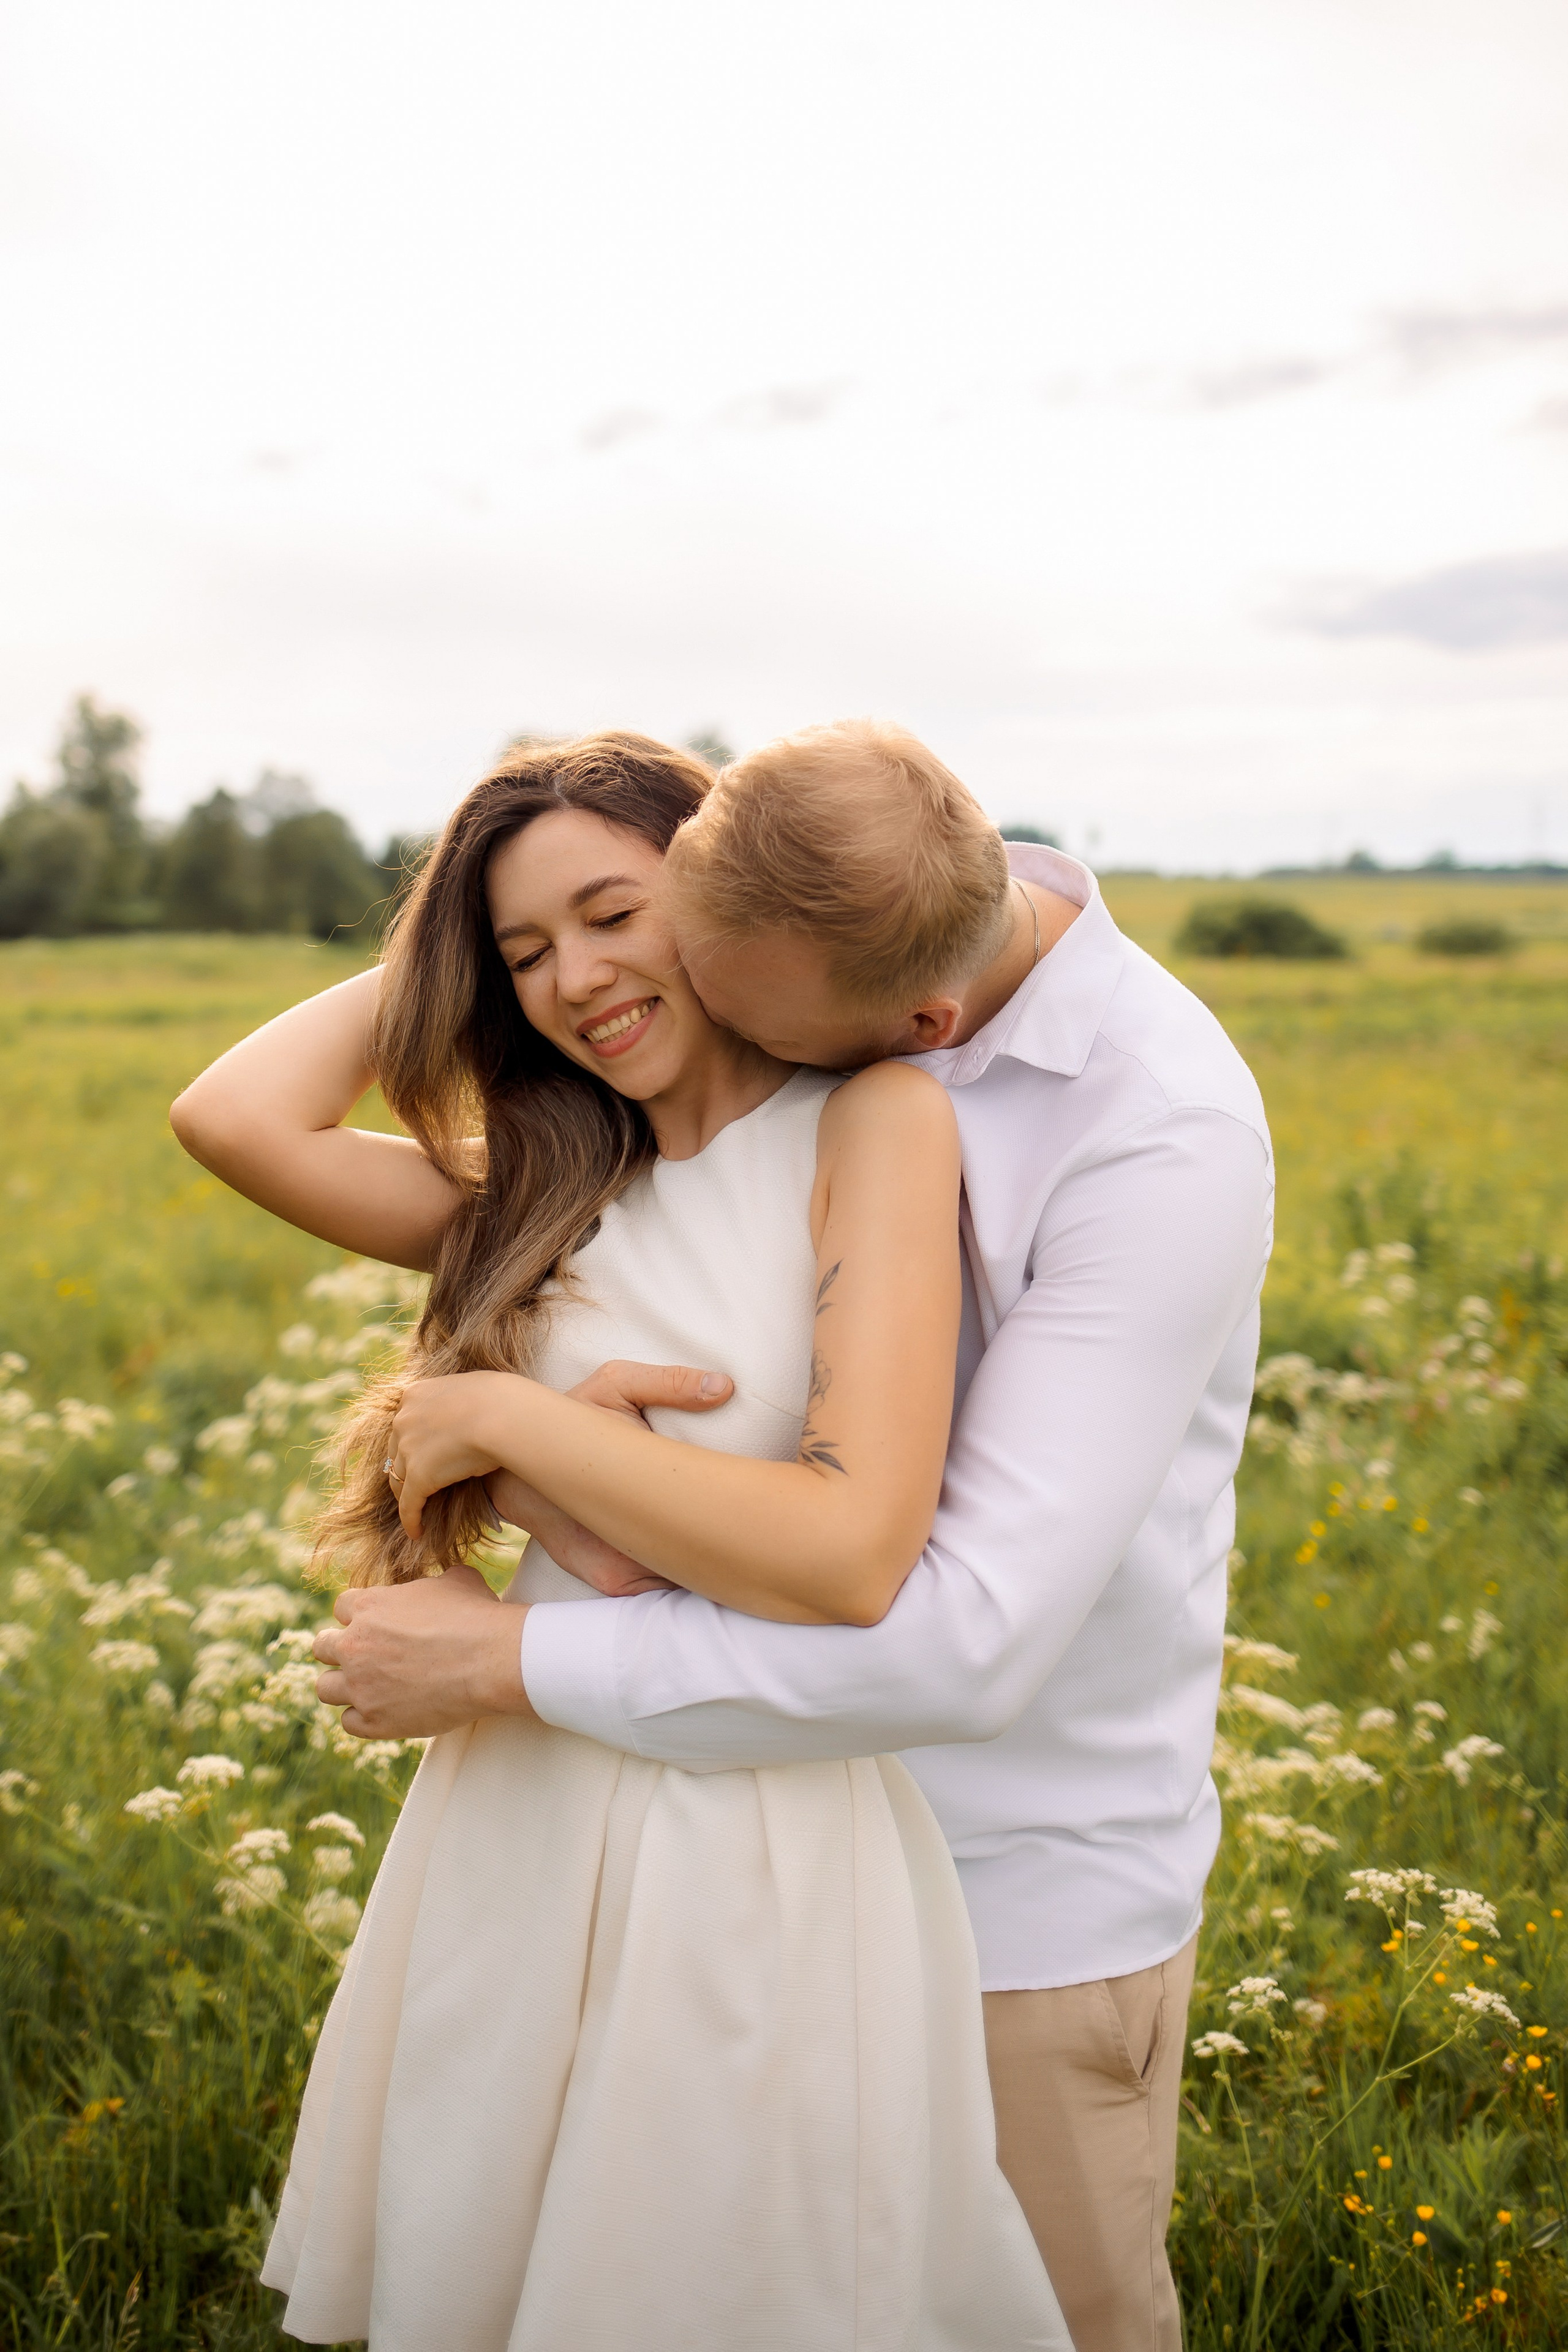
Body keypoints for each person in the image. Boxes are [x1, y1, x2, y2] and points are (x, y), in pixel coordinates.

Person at [315, 719, 1275, 2352]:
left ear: (920, 1034)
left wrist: (519, 1650)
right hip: (701, 1854)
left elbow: (959, 1638)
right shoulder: (832, 886)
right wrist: (500, 906)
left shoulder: (1153, 1132)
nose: (656, 997)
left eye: (722, 993)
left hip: (1006, 1896)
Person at [169, 731, 1069, 2352]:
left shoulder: (869, 1123)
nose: (574, 979)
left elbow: (852, 1554)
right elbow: (234, 1117)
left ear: (716, 893)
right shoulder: (549, 1183)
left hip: (749, 1824)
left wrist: (515, 1426)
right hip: (516, 1812)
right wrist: (458, 940)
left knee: (720, 2276)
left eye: (611, 913)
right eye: (528, 952)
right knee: (498, 2271)